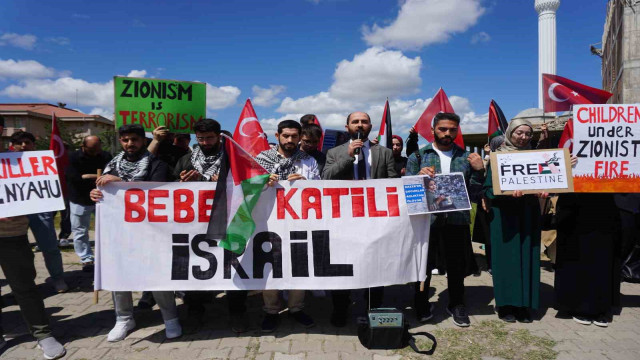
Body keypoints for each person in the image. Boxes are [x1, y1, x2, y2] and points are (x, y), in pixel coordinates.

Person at [89, 124, 181, 342]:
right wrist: (96, 193)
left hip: (151, 231)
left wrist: (121, 183)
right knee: (119, 273)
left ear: (143, 140)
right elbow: (104, 191)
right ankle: (123, 318)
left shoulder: (157, 164)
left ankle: (170, 318)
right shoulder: (112, 164)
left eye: (134, 140)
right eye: (125, 140)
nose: (130, 144)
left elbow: (154, 190)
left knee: (156, 274)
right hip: (118, 231)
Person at [172, 118, 251, 333]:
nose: (205, 142)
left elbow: (247, 184)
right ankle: (195, 311)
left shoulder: (233, 159)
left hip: (229, 222)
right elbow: (169, 190)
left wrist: (226, 179)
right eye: (201, 139)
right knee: (196, 267)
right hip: (196, 226)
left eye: (209, 138)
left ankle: (237, 313)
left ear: (219, 137)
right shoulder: (186, 160)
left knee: (233, 266)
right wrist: (185, 182)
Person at [406, 112, 484, 327]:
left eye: (452, 129)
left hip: (457, 220)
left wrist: (479, 171)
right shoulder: (418, 157)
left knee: (457, 266)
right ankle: (421, 304)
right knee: (423, 265)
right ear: (433, 130)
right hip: (427, 223)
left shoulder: (466, 157)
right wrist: (419, 179)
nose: (447, 133)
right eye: (443, 129)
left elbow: (475, 193)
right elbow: (409, 194)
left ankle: (457, 304)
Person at [322, 111, 397, 327]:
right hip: (344, 219)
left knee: (375, 264)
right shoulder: (335, 152)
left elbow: (393, 183)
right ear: (347, 127)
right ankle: (340, 308)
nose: (360, 125)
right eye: (355, 122)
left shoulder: (384, 153)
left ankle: (373, 307)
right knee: (342, 265)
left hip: (375, 220)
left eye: (364, 121)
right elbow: (326, 179)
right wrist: (347, 155)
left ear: (371, 126)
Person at [255, 120, 318, 332]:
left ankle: (296, 308)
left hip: (299, 221)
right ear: (277, 136)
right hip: (269, 220)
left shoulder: (308, 161)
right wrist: (262, 183)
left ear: (300, 136)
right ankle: (271, 310)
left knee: (299, 264)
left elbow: (320, 189)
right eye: (286, 136)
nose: (290, 140)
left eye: (294, 136)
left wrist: (305, 183)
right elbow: (246, 188)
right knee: (270, 265)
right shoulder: (261, 160)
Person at [483, 119, 548, 323]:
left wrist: (546, 190)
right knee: (506, 260)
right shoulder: (499, 157)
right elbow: (487, 189)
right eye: (520, 132)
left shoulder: (539, 158)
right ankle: (506, 305)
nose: (524, 137)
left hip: (529, 214)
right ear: (510, 133)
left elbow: (552, 180)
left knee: (528, 256)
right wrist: (506, 192)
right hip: (504, 215)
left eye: (528, 134)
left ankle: (524, 305)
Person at [10, 131, 68, 293]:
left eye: (27, 142)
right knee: (20, 251)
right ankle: (25, 283)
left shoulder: (43, 161)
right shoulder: (5, 163)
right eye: (19, 143)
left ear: (33, 145)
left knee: (49, 246)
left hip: (40, 209)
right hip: (14, 213)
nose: (23, 146)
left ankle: (58, 278)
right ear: (12, 146)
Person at [555, 191, 621, 327]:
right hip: (574, 201)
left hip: (605, 200)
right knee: (576, 251)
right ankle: (577, 306)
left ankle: (601, 307)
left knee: (603, 253)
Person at [66, 135, 112, 272]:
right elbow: (74, 178)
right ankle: (86, 259)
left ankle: (106, 256)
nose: (96, 152)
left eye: (98, 148)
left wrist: (88, 176)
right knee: (80, 230)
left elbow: (110, 175)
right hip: (79, 199)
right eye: (92, 150)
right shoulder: (73, 157)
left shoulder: (105, 156)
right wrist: (97, 177)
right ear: (83, 147)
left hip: (101, 198)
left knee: (106, 228)